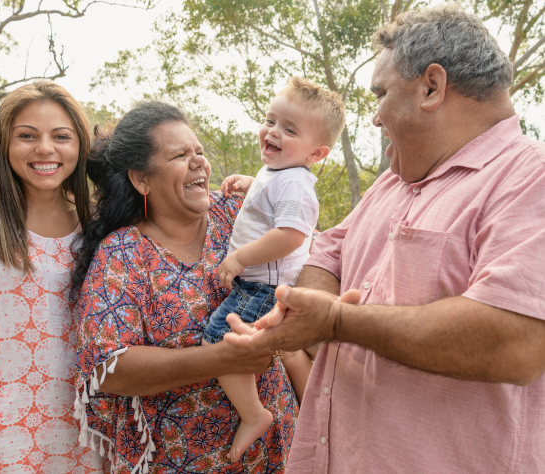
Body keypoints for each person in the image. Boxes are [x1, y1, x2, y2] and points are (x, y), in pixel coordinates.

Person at [225, 5, 545, 474]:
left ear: (431, 88)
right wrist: (295, 314)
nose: (375, 117)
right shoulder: (395, 179)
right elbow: (329, 253)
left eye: (381, 94)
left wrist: (337, 323)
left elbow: (517, 343)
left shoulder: (529, 179)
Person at [72, 101, 299, 474]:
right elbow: (107, 367)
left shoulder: (239, 215)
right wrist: (220, 359)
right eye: (180, 155)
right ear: (141, 179)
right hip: (181, 460)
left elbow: (310, 251)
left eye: (200, 152)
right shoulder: (124, 255)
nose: (199, 163)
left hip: (278, 450)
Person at [202, 76, 345, 462]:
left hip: (262, 286)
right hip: (265, 284)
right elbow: (270, 201)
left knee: (219, 341)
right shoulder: (280, 172)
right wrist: (251, 184)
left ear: (316, 154)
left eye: (289, 129)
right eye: (271, 121)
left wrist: (240, 257)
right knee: (288, 348)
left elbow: (291, 235)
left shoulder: (297, 184)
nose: (273, 132)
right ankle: (308, 410)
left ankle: (254, 414)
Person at [0, 81, 106, 472]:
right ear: (4, 144)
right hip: (0, 427)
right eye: (27, 136)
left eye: (61, 136)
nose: (45, 149)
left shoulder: (100, 227)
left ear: (81, 146)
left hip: (84, 427)